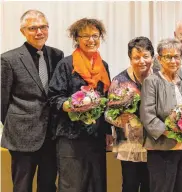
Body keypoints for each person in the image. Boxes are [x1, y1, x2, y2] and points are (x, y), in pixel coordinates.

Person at [1, 9, 63, 192]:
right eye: (33, 28)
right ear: (23, 31)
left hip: (51, 135)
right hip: (21, 135)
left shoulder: (57, 55)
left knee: (48, 185)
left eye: (43, 27)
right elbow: (1, 99)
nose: (39, 32)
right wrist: (15, 122)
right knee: (22, 186)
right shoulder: (8, 59)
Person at [48, 18, 112, 192]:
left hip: (96, 136)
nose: (91, 40)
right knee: (72, 185)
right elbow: (54, 97)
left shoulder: (103, 66)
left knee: (96, 185)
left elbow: (106, 101)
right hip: (70, 136)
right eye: (85, 36)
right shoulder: (66, 65)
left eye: (95, 35)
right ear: (76, 38)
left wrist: (107, 131)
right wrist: (69, 105)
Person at [140, 38, 182, 192]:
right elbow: (148, 115)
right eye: (168, 56)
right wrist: (173, 132)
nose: (173, 60)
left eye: (177, 56)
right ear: (159, 59)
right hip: (162, 149)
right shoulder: (151, 81)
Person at [105, 37, 155, 192]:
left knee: (151, 185)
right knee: (130, 185)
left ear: (152, 57)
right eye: (136, 57)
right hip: (129, 145)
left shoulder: (159, 78)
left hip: (155, 144)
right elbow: (107, 113)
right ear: (130, 58)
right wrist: (120, 119)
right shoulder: (119, 80)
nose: (142, 61)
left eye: (145, 56)